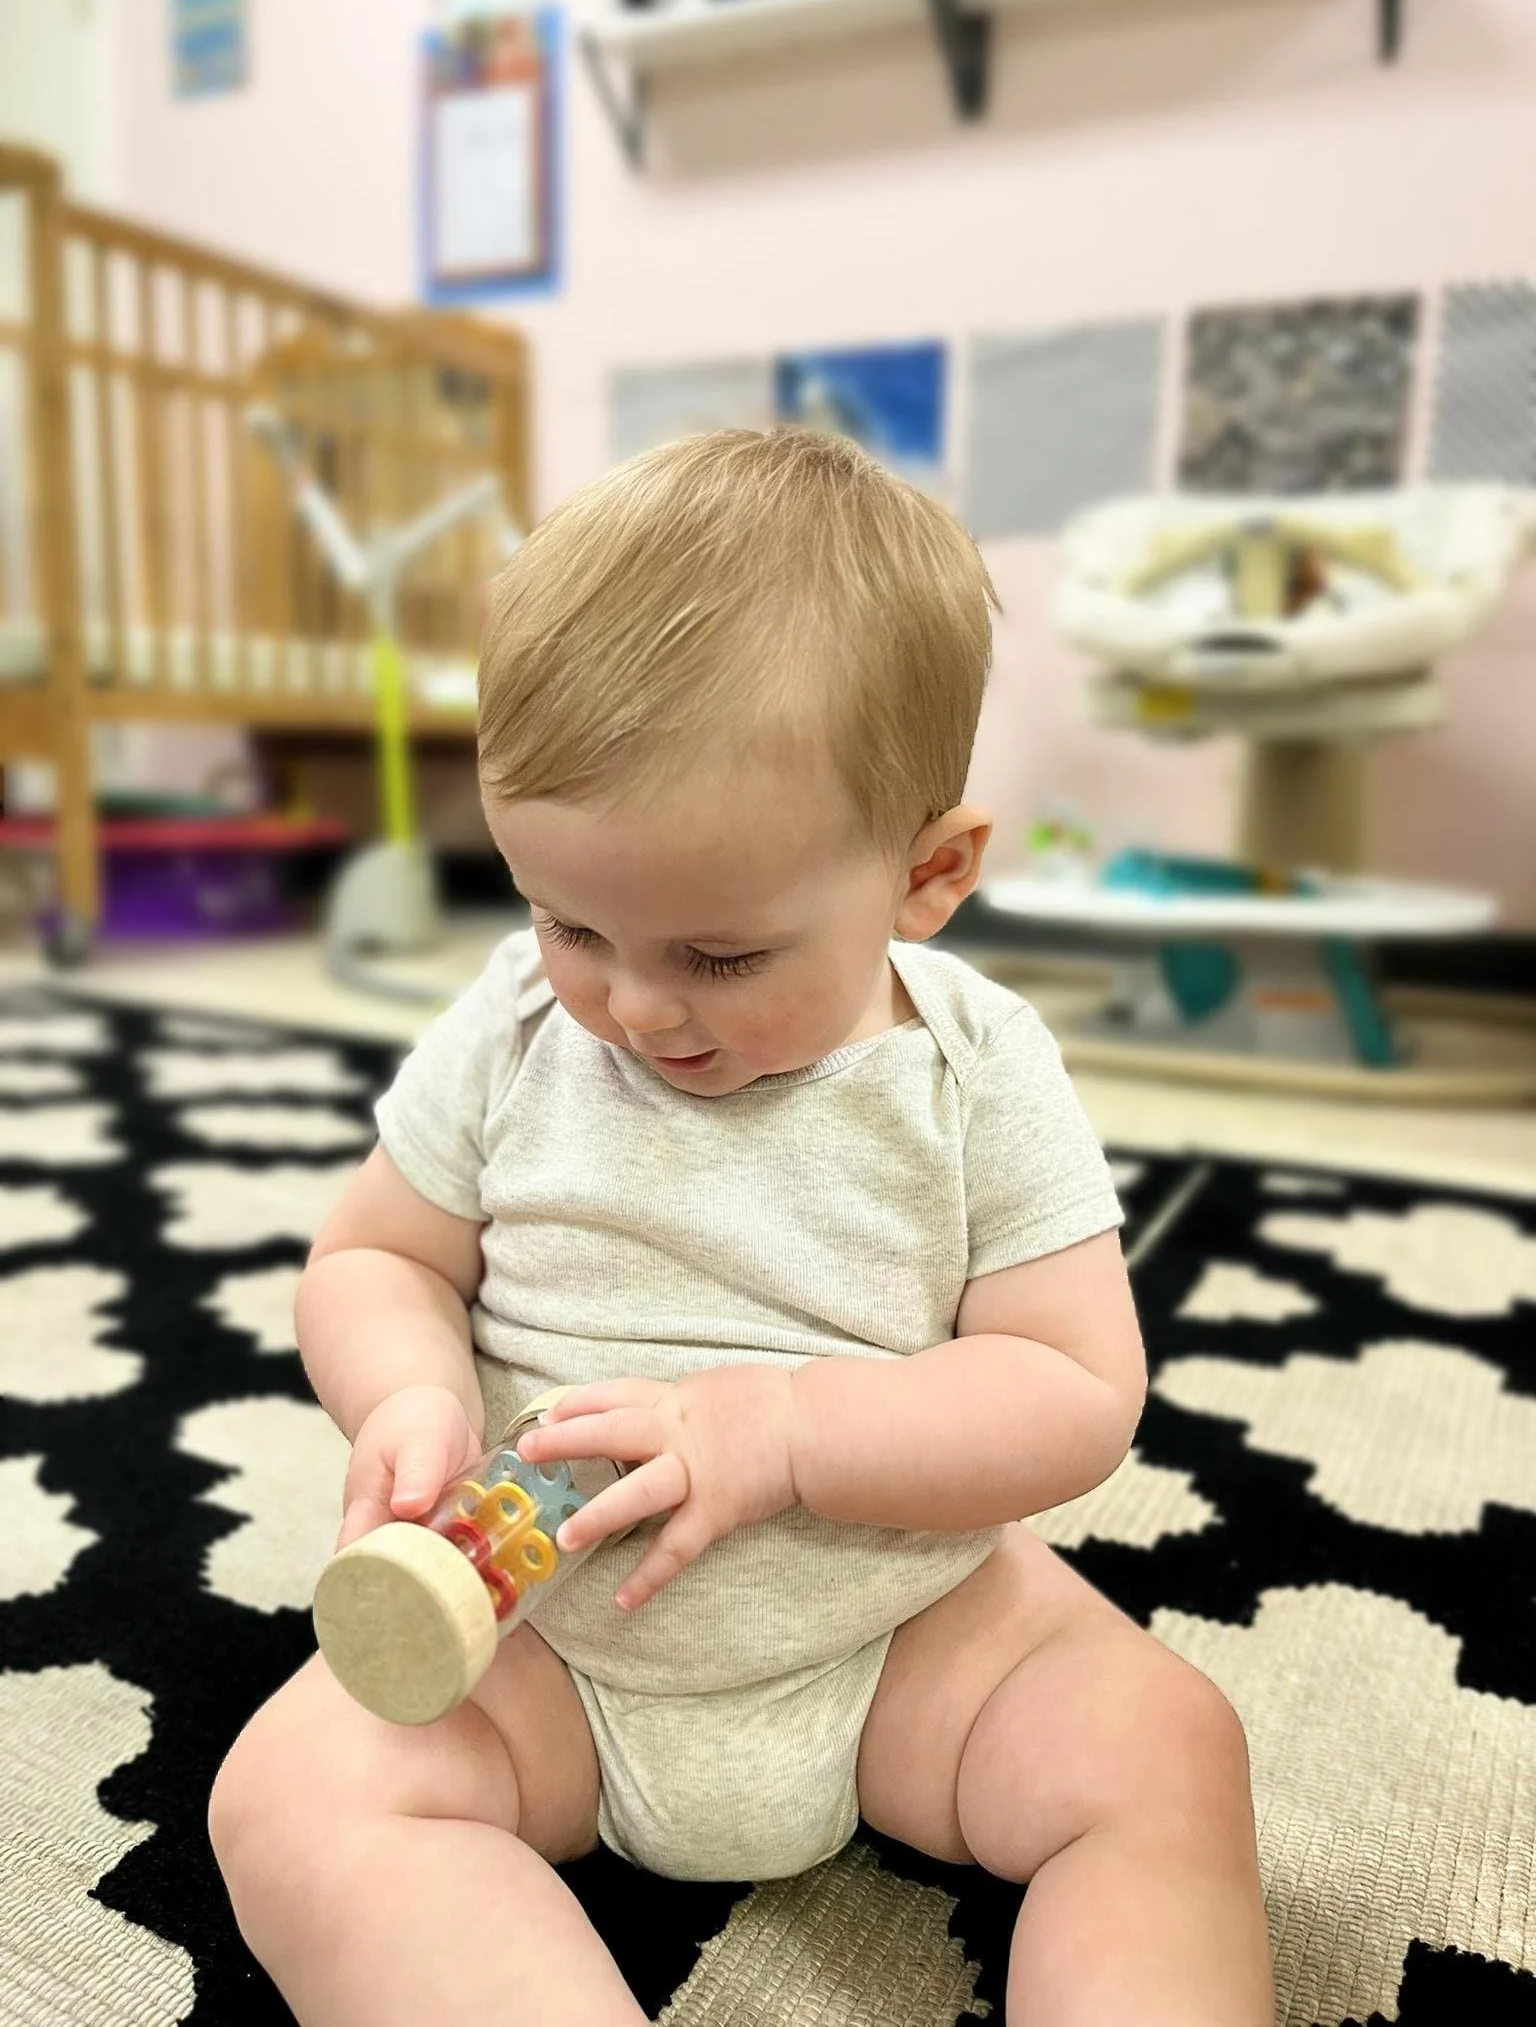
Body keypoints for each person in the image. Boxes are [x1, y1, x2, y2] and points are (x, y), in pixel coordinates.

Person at [209, 428, 1274, 2026]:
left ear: (928, 873)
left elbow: (1074, 1389)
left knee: (1165, 1751)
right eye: (570, 922)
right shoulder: (514, 1027)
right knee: (294, 1798)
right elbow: (377, 1256)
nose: (635, 1006)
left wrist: (784, 1434)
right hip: (542, 1650)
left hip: (903, 1639)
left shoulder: (977, 1071)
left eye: (718, 957)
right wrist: (405, 1393)